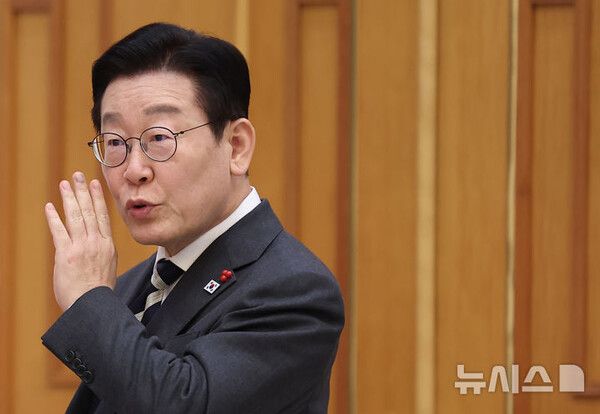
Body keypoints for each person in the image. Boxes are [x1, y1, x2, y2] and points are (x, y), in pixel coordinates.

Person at [41, 22, 344, 414]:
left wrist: (88, 298)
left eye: (159, 138)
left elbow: (183, 405)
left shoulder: (293, 289)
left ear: (236, 146)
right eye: (115, 142)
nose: (134, 170)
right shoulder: (129, 286)